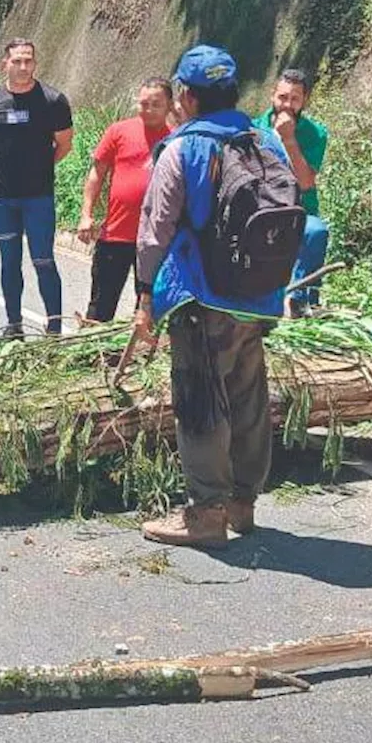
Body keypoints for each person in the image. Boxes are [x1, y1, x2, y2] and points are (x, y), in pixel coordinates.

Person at [133, 45, 300, 548]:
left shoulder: (183, 148)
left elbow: (154, 231)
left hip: (202, 297)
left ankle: (206, 515)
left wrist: (145, 295)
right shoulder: (265, 140)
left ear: (185, 95)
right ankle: (243, 506)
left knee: (201, 399)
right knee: (248, 395)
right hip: (259, 293)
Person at [0, 39, 74, 336]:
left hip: (39, 198)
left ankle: (54, 326)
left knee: (43, 260)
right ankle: (13, 323)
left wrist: (40, 169)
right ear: (4, 64)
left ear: (35, 63)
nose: (23, 66)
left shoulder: (53, 100)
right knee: (9, 262)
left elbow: (64, 144)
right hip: (2, 198)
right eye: (17, 61)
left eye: (28, 61)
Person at [76, 78, 173, 322]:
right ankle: (92, 355)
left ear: (169, 105)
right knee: (100, 307)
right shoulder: (119, 131)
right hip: (116, 235)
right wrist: (86, 215)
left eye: (155, 104)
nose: (148, 109)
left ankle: (138, 356)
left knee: (149, 310)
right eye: (143, 103)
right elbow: (96, 174)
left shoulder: (176, 139)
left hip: (156, 240)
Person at [253, 69, 330, 316]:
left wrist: (289, 140)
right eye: (282, 97)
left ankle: (298, 300)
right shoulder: (253, 128)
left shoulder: (315, 133)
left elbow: (306, 182)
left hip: (300, 209)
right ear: (272, 95)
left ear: (304, 100)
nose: (287, 105)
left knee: (316, 231)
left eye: (294, 99)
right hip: (261, 209)